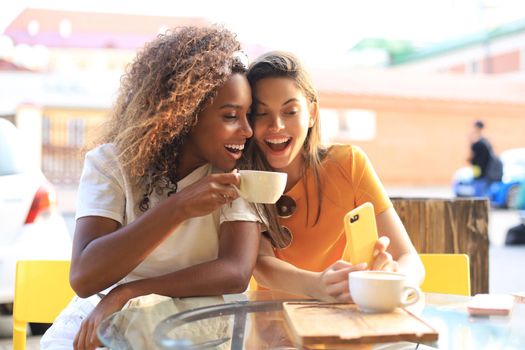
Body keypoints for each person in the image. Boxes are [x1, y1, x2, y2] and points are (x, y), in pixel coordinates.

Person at [41, 26, 262, 350]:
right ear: (184, 115)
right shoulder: (112, 164)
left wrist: (131, 290)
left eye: (247, 115)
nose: (247, 130)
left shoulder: (239, 172)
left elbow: (236, 271)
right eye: (231, 116)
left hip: (194, 315)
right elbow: (85, 277)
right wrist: (178, 208)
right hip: (106, 310)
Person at [243, 51, 425, 302]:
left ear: (312, 114)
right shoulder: (244, 176)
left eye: (290, 111)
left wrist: (394, 279)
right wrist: (317, 285)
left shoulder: (348, 163)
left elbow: (410, 259)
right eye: (262, 113)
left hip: (344, 317)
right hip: (271, 326)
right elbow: (261, 265)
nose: (276, 125)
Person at [468, 120, 500, 197]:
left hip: (481, 170)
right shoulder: (485, 141)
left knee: (479, 190)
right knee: (481, 189)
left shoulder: (479, 142)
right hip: (483, 170)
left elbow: (473, 156)